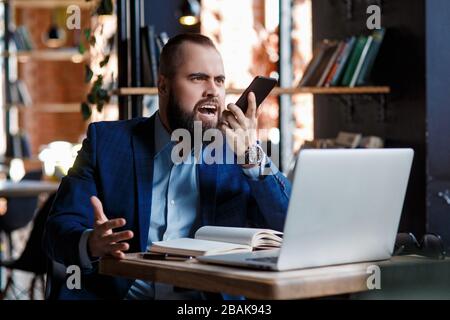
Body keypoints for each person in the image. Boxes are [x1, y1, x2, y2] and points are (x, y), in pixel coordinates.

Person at [44, 33, 291, 300]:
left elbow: (289, 225)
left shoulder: (237, 154)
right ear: (163, 86)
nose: (213, 90)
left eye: (219, 80)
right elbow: (57, 229)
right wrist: (91, 242)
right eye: (198, 78)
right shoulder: (106, 143)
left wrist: (252, 157)